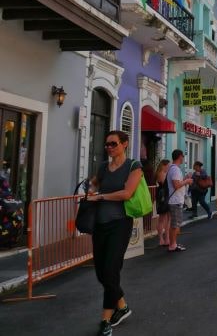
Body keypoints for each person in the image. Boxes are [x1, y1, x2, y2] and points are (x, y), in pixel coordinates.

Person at [87, 131, 142, 335]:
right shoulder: (103, 167)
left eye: (113, 144)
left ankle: (105, 321)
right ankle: (122, 306)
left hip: (120, 224)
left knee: (110, 270)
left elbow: (127, 193)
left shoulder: (134, 166)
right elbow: (93, 184)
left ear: (124, 144)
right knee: (101, 273)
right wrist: (90, 189)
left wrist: (101, 197)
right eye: (107, 144)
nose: (109, 148)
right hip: (99, 225)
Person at [167, 149, 193, 252]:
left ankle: (173, 243)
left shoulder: (173, 168)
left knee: (175, 223)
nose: (183, 158)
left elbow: (177, 183)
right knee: (175, 224)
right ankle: (172, 244)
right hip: (175, 201)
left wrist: (185, 179)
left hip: (175, 200)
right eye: (183, 156)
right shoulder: (175, 169)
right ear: (180, 156)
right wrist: (186, 181)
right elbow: (176, 185)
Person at [154, 159, 171, 246]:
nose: (169, 167)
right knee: (162, 218)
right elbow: (164, 183)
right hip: (163, 196)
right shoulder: (161, 173)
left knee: (167, 218)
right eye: (168, 165)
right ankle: (161, 239)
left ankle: (167, 238)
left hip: (165, 196)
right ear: (164, 165)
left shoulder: (163, 172)